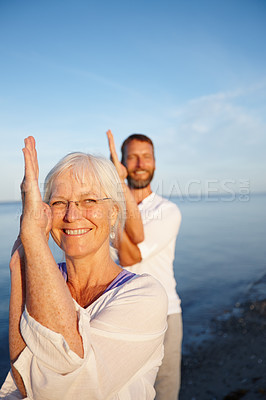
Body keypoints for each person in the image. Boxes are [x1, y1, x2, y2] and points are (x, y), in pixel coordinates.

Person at [0, 136, 168, 400]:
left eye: (89, 200)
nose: (72, 215)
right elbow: (22, 380)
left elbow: (69, 390)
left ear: (113, 213)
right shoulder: (33, 276)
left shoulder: (146, 295)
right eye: (58, 203)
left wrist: (32, 243)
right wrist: (22, 256)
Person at [107, 131, 182, 400]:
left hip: (165, 313)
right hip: (119, 313)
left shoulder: (168, 210)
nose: (140, 164)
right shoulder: (108, 210)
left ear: (155, 163)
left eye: (146, 157)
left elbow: (131, 257)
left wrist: (118, 185)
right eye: (132, 158)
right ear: (122, 164)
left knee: (164, 391)